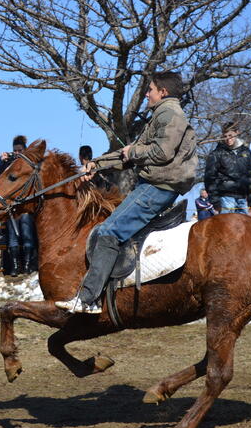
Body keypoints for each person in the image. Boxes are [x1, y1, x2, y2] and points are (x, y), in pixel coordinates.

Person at [56, 71, 197, 313]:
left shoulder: (170, 113)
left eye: (150, 89)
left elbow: (161, 153)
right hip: (154, 185)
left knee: (109, 232)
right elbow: (131, 153)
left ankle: (88, 300)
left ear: (163, 92)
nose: (146, 93)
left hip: (158, 187)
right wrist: (96, 164)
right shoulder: (161, 115)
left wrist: (132, 153)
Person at [0, 135, 37, 276]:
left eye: (19, 150)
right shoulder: (8, 164)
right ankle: (15, 267)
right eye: (15, 151)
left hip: (25, 207)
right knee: (12, 236)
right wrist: (2, 163)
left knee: (27, 234)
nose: (17, 153)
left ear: (25, 150)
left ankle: (28, 265)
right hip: (12, 208)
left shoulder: (29, 164)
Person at [204, 122, 251, 214]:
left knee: (243, 226)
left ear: (237, 133)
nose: (228, 139)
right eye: (225, 136)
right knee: (227, 226)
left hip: (242, 198)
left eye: (230, 135)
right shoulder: (217, 153)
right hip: (225, 197)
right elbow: (210, 177)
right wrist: (215, 200)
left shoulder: (246, 152)